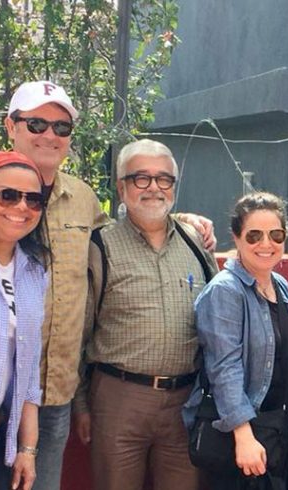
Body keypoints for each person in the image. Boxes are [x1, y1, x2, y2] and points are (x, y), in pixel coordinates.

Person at [3, 81, 215, 490]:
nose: (50, 135)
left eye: (61, 128)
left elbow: (135, 222)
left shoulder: (82, 200)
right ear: (12, 126)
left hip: (52, 395)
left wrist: (182, 218)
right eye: (37, 123)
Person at [74, 139, 218, 489]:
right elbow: (78, 331)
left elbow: (219, 318)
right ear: (122, 188)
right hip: (119, 398)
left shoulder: (196, 243)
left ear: (174, 187)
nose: (154, 187)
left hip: (186, 400)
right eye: (141, 178)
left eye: (163, 179)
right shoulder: (99, 245)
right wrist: (80, 404)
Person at [183, 192, 288, 489]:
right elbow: (223, 367)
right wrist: (243, 435)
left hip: (275, 431)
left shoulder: (280, 285)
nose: (266, 244)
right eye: (254, 235)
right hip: (240, 438)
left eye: (275, 235)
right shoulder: (226, 291)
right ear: (236, 238)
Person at [0, 151, 52, 490]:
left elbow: (29, 372)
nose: (21, 207)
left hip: (5, 434)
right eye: (8, 195)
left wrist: (27, 449)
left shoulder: (34, 271)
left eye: (33, 199)